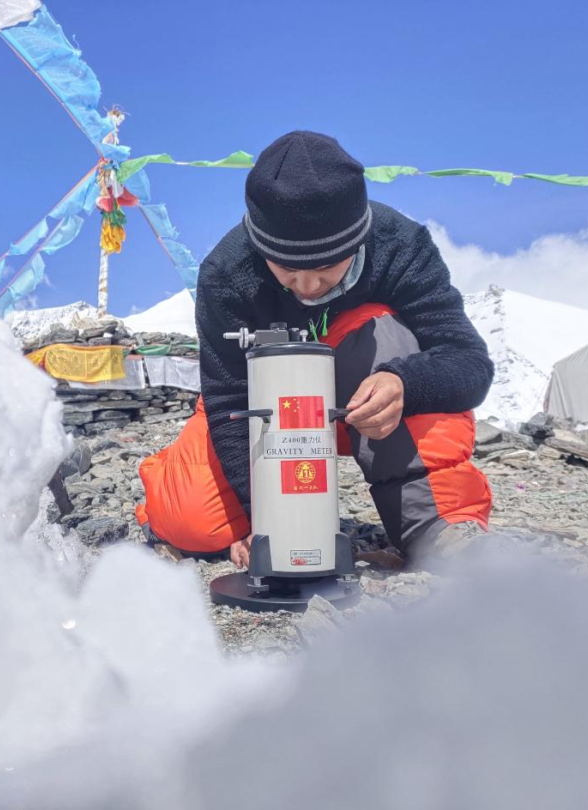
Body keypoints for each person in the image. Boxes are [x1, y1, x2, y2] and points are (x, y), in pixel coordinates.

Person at [135, 131, 493, 568]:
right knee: (191, 521)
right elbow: (228, 398)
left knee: (386, 331)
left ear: (358, 241)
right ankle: (179, 486)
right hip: (262, 414)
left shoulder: (401, 245)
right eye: (286, 268)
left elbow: (469, 362)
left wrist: (404, 383)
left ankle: (440, 526)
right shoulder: (226, 274)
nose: (307, 287)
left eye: (326, 268)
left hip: (362, 405)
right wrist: (263, 522)